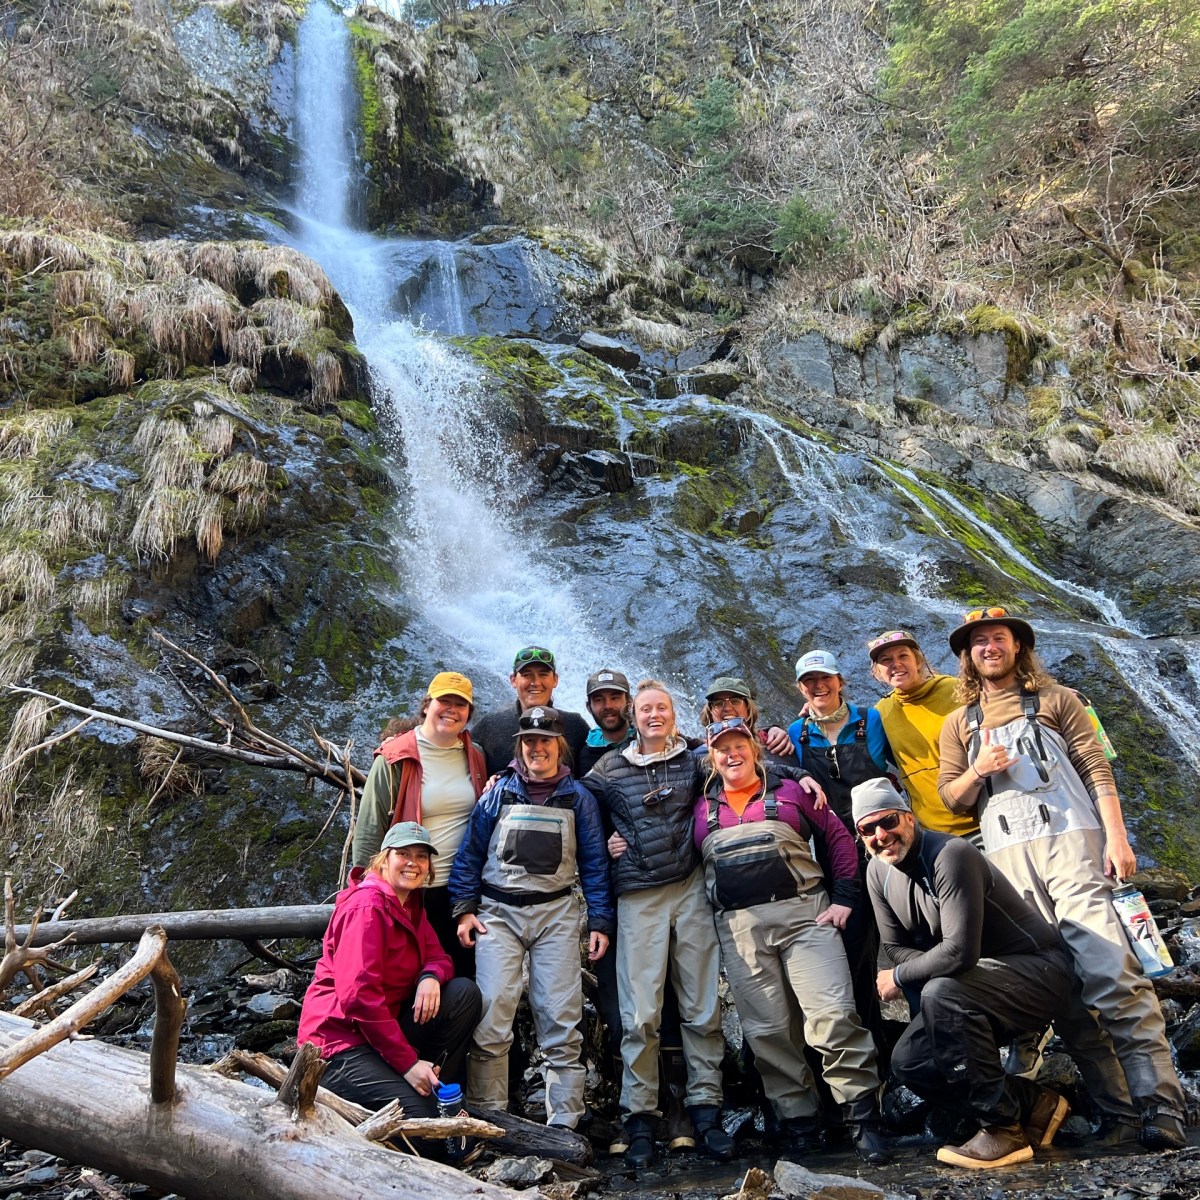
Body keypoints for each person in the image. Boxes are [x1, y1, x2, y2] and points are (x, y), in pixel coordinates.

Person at [937, 605, 1187, 1150]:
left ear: (1017, 645)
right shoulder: (958, 724)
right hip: (1007, 865)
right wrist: (978, 771)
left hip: (1074, 845)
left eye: (997, 638)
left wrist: (1118, 840)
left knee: (1112, 976)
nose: (988, 647)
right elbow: (949, 799)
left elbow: (1098, 768)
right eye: (977, 642)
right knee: (1063, 994)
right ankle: (1118, 1113)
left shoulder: (1058, 699)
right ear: (967, 656)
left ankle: (1162, 1107)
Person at [854, 778, 1075, 1169]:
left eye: (887, 821)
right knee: (910, 1062)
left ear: (908, 816)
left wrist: (901, 977)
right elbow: (893, 947)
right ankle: (1033, 1104)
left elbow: (959, 951)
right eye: (867, 829)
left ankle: (1002, 1129)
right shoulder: (877, 872)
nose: (880, 835)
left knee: (942, 992)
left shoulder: (950, 854)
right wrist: (925, 967)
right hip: (970, 988)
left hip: (1039, 973)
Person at [696, 718, 889, 1164]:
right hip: (740, 931)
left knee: (833, 1015)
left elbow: (838, 837)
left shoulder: (793, 791)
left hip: (806, 918)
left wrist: (843, 897)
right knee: (768, 1033)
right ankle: (800, 1123)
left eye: (739, 744)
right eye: (721, 748)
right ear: (712, 757)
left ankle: (862, 1118)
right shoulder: (700, 804)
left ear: (754, 748)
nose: (731, 754)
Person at [583, 679, 734, 1168]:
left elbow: (745, 760)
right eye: (645, 708)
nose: (653, 715)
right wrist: (606, 839)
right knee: (641, 1012)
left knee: (701, 1005)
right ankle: (640, 1117)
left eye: (662, 708)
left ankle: (706, 1109)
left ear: (673, 713)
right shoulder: (608, 769)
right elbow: (577, 810)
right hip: (638, 898)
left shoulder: (694, 758)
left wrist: (799, 770)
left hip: (690, 888)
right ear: (633, 713)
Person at [448, 706, 614, 1129]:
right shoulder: (497, 791)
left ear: (559, 745)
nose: (537, 748)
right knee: (491, 1015)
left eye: (545, 741)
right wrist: (464, 910)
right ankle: (489, 1118)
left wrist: (600, 921)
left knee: (560, 1017)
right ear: (519, 747)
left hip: (556, 915)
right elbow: (469, 854)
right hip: (497, 915)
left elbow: (595, 865)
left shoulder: (580, 798)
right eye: (529, 741)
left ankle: (565, 1125)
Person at [297, 822, 482, 1123]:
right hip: (338, 1045)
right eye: (403, 854)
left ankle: (431, 1085)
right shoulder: (367, 908)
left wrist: (430, 976)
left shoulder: (409, 904)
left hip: (379, 1034)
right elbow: (359, 997)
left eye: (422, 856)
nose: (413, 863)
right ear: (384, 859)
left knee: (463, 994)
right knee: (427, 1127)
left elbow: (439, 956)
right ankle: (414, 1089)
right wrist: (407, 1064)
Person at [787, 649, 892, 1054]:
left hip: (885, 845)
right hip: (834, 852)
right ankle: (871, 1043)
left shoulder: (873, 719)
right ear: (801, 688)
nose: (819, 686)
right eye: (810, 681)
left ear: (840, 680)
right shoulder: (797, 734)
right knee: (854, 948)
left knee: (904, 938)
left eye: (825, 678)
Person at [351, 671, 488, 978]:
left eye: (461, 704)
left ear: (468, 713)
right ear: (427, 705)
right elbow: (371, 828)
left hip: (461, 892)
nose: (451, 710)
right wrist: (362, 892)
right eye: (444, 701)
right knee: (405, 979)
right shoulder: (394, 757)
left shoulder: (475, 755)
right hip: (409, 890)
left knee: (461, 977)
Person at [867, 629, 979, 841]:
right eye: (886, 660)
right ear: (878, 672)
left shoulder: (957, 690)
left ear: (919, 661)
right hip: (932, 832)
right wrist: (818, 713)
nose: (896, 664)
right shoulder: (881, 712)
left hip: (984, 818)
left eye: (903, 656)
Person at [471, 646, 590, 775]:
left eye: (543, 674)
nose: (536, 682)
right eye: (527, 675)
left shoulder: (575, 725)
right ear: (513, 680)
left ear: (555, 680)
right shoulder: (489, 726)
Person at [577, 668, 634, 774]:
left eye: (615, 698)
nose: (608, 706)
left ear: (629, 702)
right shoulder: (586, 756)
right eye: (598, 700)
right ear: (589, 707)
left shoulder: (647, 740)